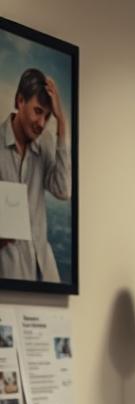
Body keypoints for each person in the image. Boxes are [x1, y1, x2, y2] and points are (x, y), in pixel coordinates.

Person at [0, 68, 71, 283]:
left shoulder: (46, 143)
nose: (42, 123)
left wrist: (62, 124)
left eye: (48, 116)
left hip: (45, 275)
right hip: (9, 273)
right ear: (20, 101)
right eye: (38, 111)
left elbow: (63, 190)